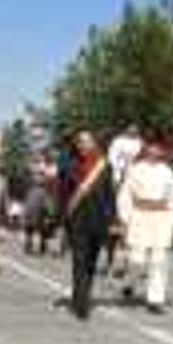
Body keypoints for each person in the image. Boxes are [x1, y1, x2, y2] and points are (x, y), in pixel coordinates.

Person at [117, 135, 173, 314]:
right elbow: (125, 195)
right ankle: (130, 282)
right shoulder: (135, 169)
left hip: (161, 217)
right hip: (140, 216)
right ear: (146, 149)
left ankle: (155, 299)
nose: (154, 151)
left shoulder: (168, 171)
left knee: (159, 260)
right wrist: (125, 218)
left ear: (162, 151)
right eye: (151, 147)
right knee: (137, 258)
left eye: (158, 148)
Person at [61, 130, 115, 321]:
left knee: (91, 262)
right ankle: (81, 304)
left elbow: (110, 195)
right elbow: (64, 194)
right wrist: (63, 218)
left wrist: (113, 220)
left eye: (87, 142)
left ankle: (83, 295)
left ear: (94, 144)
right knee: (79, 260)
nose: (83, 145)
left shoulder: (105, 166)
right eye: (80, 142)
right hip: (78, 219)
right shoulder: (70, 165)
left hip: (98, 220)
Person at [107, 124, 143, 189]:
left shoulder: (140, 141)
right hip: (120, 169)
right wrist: (118, 168)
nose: (133, 129)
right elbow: (112, 156)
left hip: (136, 170)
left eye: (135, 128)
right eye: (131, 128)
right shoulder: (118, 141)